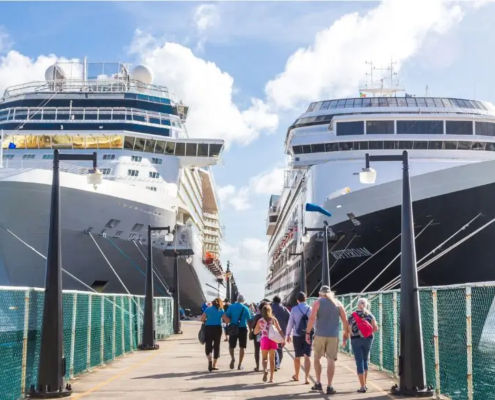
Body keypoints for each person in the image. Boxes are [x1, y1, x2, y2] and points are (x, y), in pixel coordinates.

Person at [306, 285, 349, 395]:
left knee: (317, 358)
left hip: (320, 334)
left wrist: (307, 333)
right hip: (333, 336)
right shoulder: (338, 303)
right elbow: (345, 321)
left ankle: (318, 382)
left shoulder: (317, 302)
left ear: (320, 293)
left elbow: (312, 318)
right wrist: (345, 335)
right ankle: (329, 386)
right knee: (331, 360)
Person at [347, 298, 379, 393]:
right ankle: (365, 384)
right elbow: (376, 328)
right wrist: (367, 333)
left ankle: (362, 386)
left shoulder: (352, 315)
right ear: (366, 305)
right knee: (365, 360)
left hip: (356, 340)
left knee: (359, 361)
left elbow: (349, 329)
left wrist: (355, 334)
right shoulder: (370, 315)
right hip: (368, 339)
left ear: (357, 304)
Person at [254, 304, 285, 383]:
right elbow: (280, 330)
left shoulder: (260, 320)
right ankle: (271, 378)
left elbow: (255, 332)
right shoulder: (273, 319)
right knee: (272, 359)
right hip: (273, 340)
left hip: (264, 340)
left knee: (264, 358)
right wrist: (283, 339)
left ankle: (265, 370)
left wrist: (260, 329)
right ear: (270, 311)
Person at [285, 292, 312, 384]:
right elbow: (315, 322)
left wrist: (288, 334)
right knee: (307, 356)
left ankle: (297, 375)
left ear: (297, 300)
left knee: (297, 356)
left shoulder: (294, 309)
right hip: (308, 335)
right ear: (306, 298)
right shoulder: (310, 308)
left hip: (297, 335)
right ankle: (307, 378)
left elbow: (290, 323)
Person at [200, 298, 229, 372]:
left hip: (208, 328)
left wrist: (207, 319)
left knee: (208, 344)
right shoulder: (220, 310)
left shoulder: (208, 309)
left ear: (212, 303)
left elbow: (202, 319)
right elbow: (226, 320)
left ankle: (209, 358)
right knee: (217, 345)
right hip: (217, 329)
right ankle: (214, 364)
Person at [225, 294, 252, 370]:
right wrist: (250, 331)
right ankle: (240, 364)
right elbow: (249, 321)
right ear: (243, 300)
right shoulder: (246, 308)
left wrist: (229, 324)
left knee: (231, 346)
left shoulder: (231, 307)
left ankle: (233, 358)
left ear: (237, 299)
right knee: (242, 347)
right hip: (242, 329)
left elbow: (227, 317)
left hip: (233, 328)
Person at [271, 295, 290, 370]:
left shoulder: (270, 308)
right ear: (280, 301)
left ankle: (275, 363)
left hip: (272, 331)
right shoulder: (284, 309)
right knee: (280, 348)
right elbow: (290, 318)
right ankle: (278, 364)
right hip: (282, 331)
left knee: (273, 348)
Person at [249, 301, 268, 372]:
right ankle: (265, 368)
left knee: (257, 350)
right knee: (266, 351)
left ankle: (257, 366)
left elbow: (252, 325)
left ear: (259, 309)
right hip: (266, 335)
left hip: (258, 335)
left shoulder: (257, 316)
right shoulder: (269, 317)